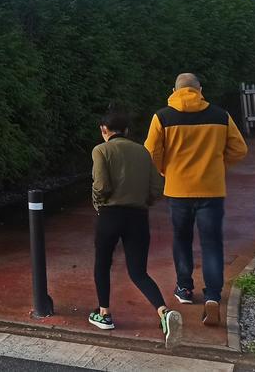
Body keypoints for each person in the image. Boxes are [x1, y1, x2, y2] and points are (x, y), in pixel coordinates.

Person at [145, 73, 249, 327]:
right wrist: (218, 165)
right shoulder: (220, 115)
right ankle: (212, 296)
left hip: (178, 190)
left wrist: (164, 170)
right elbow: (239, 149)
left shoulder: (162, 117)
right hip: (211, 190)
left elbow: (150, 151)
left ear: (174, 90)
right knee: (212, 243)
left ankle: (184, 288)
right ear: (199, 89)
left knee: (182, 238)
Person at [89, 106, 183, 349]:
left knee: (102, 264)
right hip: (138, 216)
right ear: (127, 130)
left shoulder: (101, 150)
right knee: (138, 271)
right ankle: (163, 312)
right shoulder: (142, 152)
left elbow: (100, 184)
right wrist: (144, 202)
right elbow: (156, 187)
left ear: (104, 130)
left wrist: (99, 203)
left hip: (110, 214)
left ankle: (104, 314)